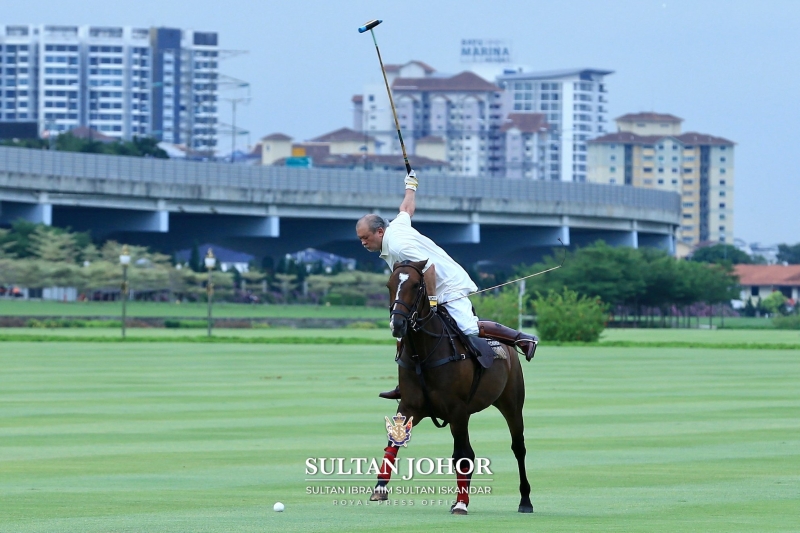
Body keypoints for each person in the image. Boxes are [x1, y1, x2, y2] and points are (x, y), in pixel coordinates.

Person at [355, 171, 538, 400]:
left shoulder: (399, 246)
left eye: (365, 238)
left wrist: (432, 302)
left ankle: (521, 337)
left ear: (379, 231)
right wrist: (411, 184)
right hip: (428, 288)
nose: (363, 243)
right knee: (404, 330)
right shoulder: (396, 227)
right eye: (360, 239)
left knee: (468, 327)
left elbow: (429, 267)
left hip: (447, 284)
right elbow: (406, 210)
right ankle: (406, 384)